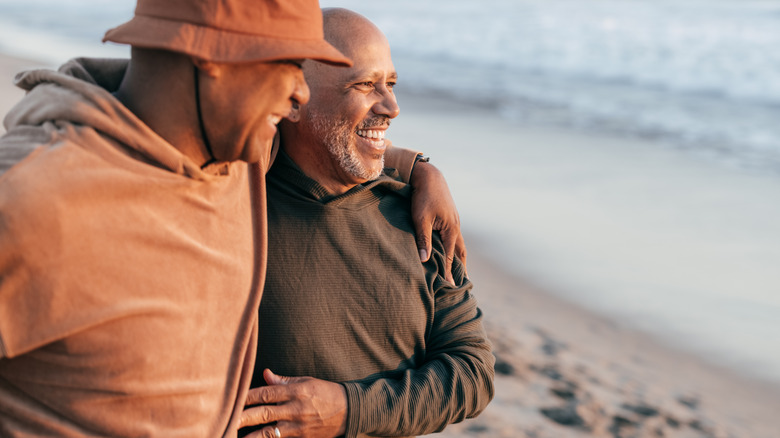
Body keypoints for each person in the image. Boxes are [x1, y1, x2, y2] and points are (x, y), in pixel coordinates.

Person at [0, 1, 464, 436]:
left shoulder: (239, 157)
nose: (299, 94)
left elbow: (330, 139)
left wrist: (419, 166)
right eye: (287, 65)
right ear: (211, 60)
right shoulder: (34, 201)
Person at [239, 9, 494, 438]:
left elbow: (472, 372)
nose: (392, 106)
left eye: (390, 83)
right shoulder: (234, 205)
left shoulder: (419, 215)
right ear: (293, 99)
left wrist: (349, 409)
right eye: (364, 84)